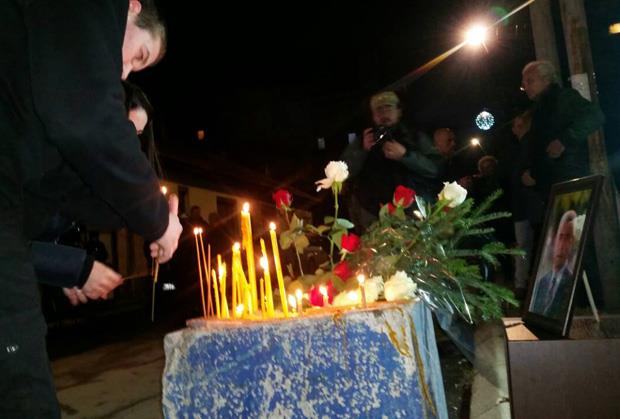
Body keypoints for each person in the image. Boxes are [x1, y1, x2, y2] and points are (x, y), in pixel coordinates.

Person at [0, 1, 182, 417]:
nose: (124, 72)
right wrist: (156, 219)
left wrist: (150, 219)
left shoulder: (41, 92)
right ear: (131, 6)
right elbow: (88, 122)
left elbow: (69, 190)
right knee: (21, 378)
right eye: (138, 55)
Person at [32, 81, 162, 306]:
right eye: (128, 131)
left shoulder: (81, 178)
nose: (131, 145)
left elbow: (33, 241)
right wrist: (78, 269)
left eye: (138, 135)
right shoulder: (47, 152)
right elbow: (12, 242)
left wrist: (62, 270)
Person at [342, 91, 441, 232]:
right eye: (378, 109)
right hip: (374, 218)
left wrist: (405, 155)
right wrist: (362, 150)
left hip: (414, 216)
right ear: (373, 115)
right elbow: (343, 172)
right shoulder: (363, 140)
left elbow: (434, 169)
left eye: (388, 107)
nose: (383, 112)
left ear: (399, 111)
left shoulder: (415, 136)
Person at [520, 61, 604, 200]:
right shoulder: (539, 109)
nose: (526, 88)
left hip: (570, 183)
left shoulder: (563, 98)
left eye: (530, 81)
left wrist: (564, 140)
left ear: (546, 79)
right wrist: (532, 172)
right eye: (524, 85)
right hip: (553, 186)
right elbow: (540, 147)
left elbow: (594, 115)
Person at [529, 210, 577, 318]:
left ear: (572, 242)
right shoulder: (541, 282)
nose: (562, 245)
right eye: (560, 237)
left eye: (567, 238)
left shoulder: (571, 283)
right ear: (554, 240)